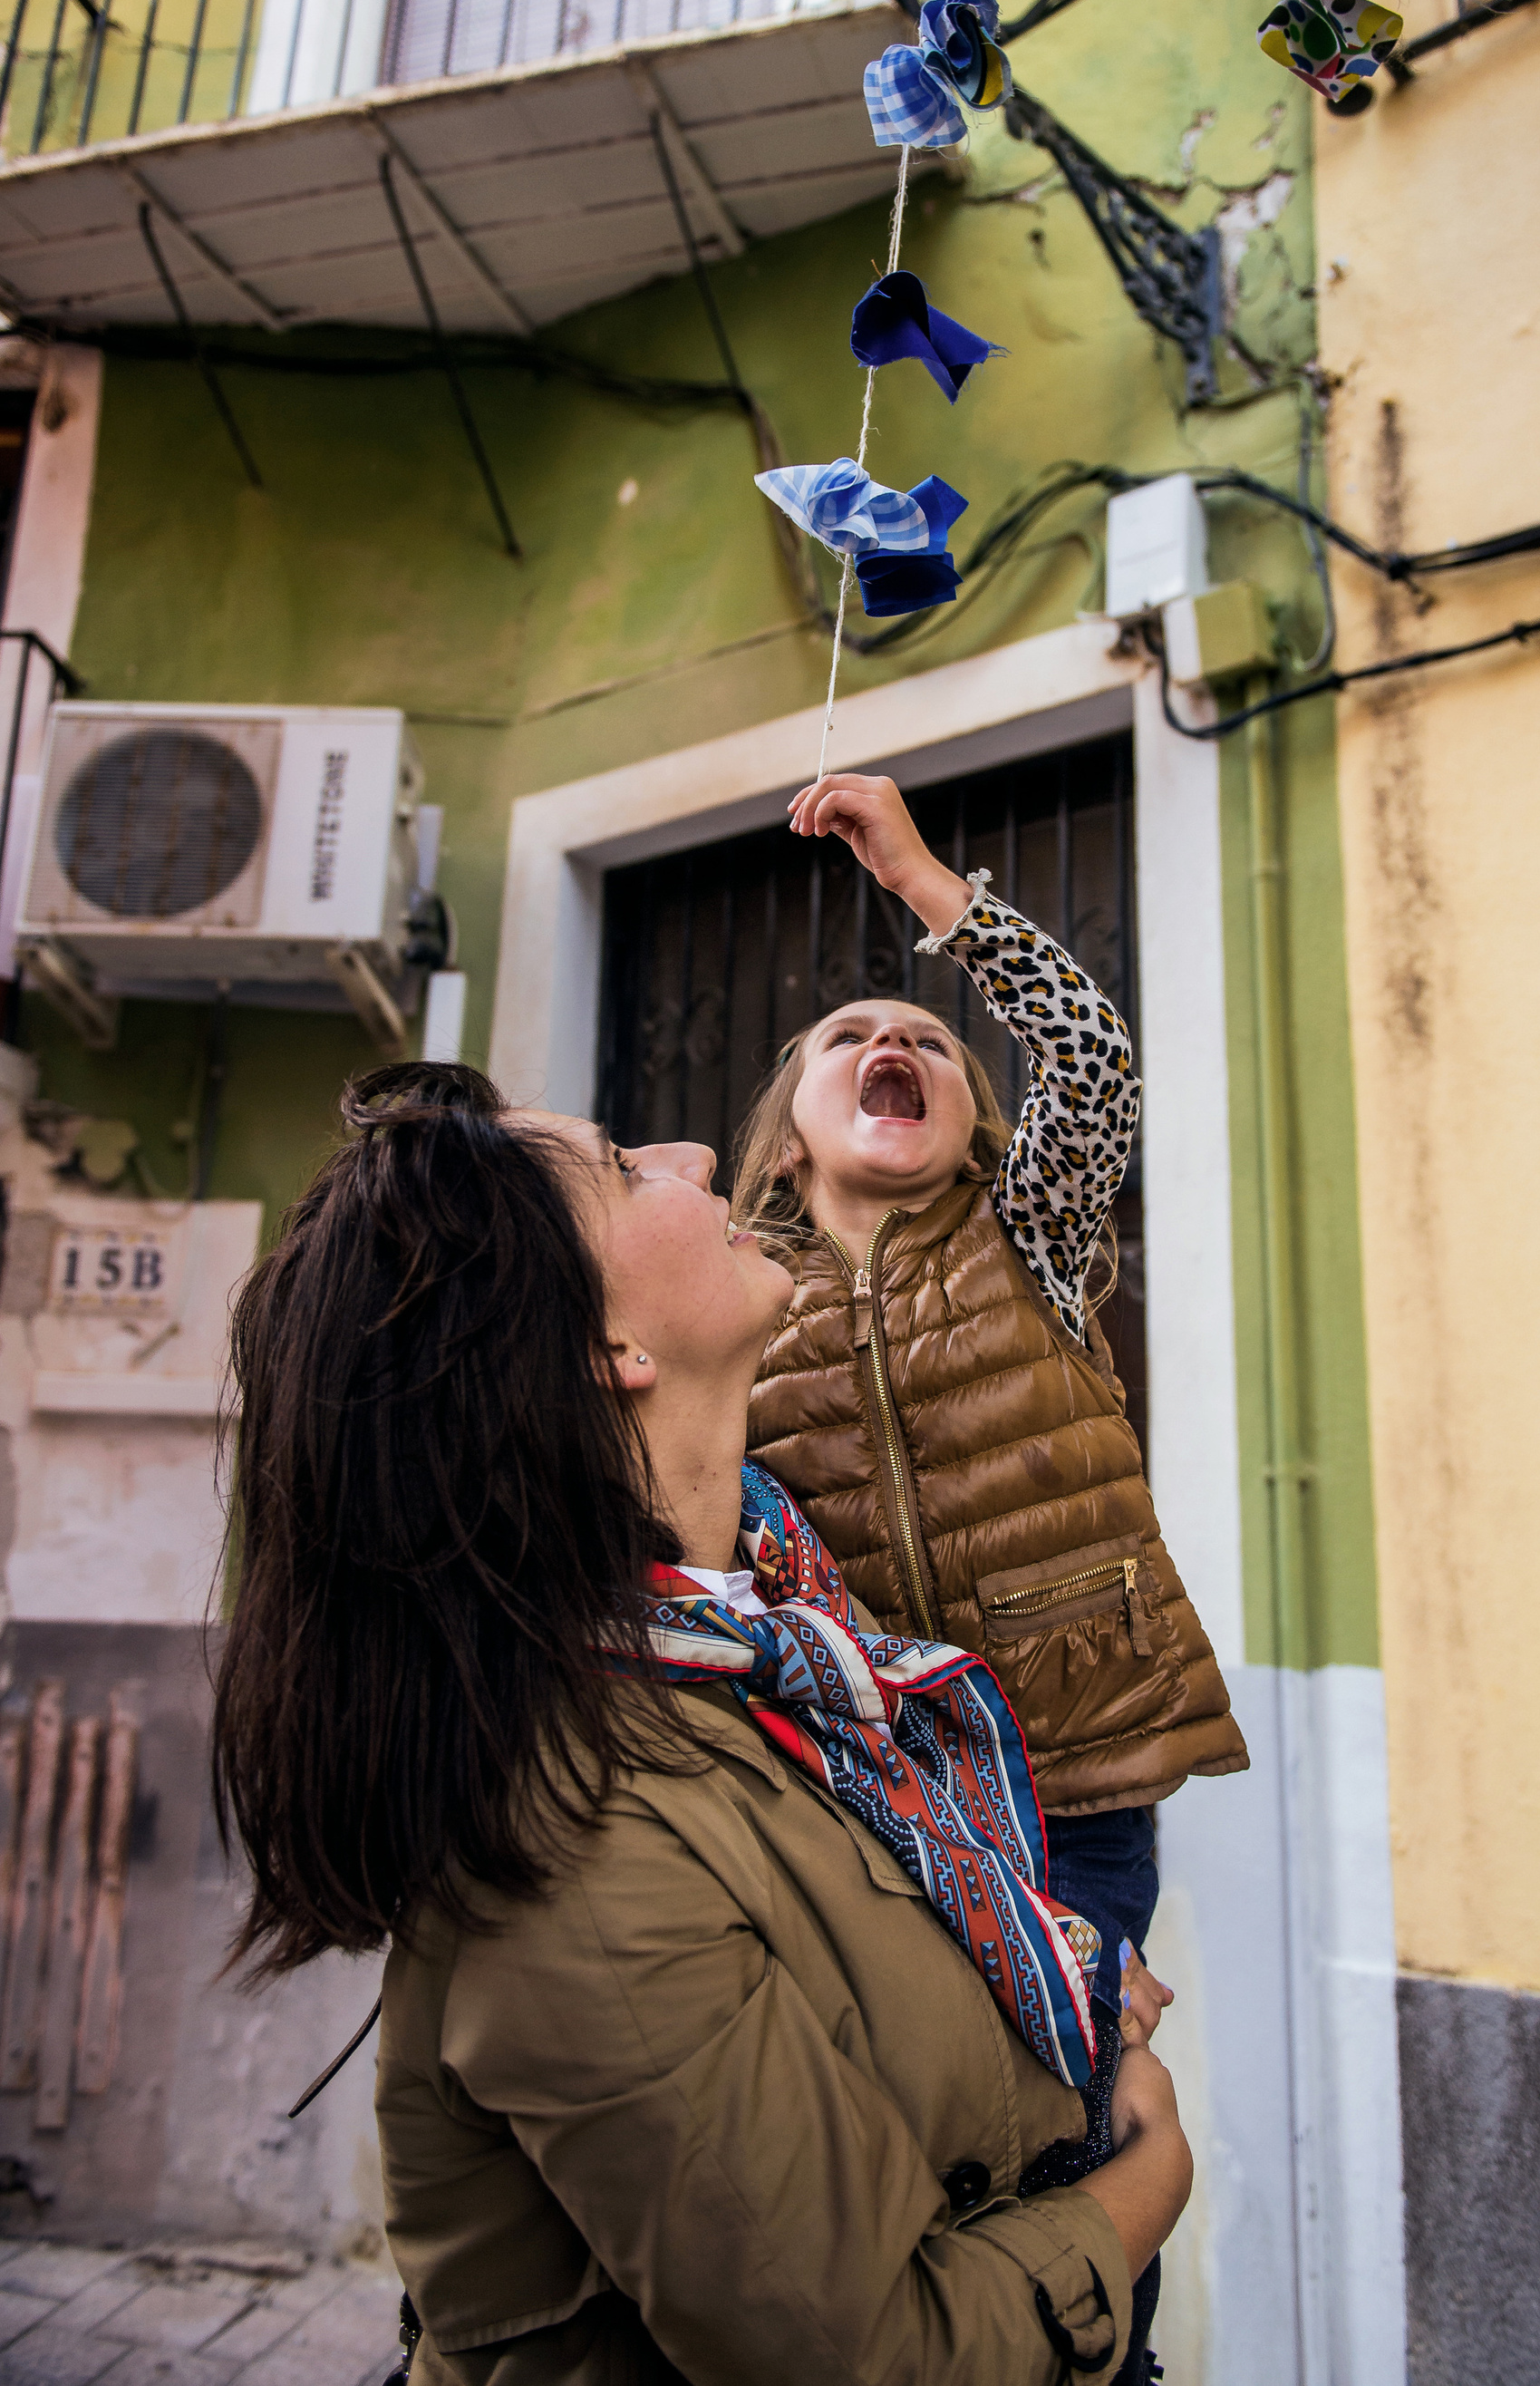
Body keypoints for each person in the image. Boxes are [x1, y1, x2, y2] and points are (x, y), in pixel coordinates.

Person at [210, 1064, 1195, 2385]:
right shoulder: (585, 1858)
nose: (690, 1153)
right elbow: (875, 2361)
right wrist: (1144, 2184)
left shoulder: (780, 1634)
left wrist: (1054, 1972)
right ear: (606, 1349)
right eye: (624, 1170)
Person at [734, 774, 1249, 2370]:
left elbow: (1089, 1063)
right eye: (848, 1037)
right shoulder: (736, 1297)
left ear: (974, 1120)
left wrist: (920, 881)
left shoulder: (1034, 1231)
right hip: (864, 1795)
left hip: (1075, 1790)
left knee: (1075, 2122)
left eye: (931, 1041)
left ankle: (1101, 2363)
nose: (894, 1041)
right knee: (903, 2136)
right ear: (789, 1133)